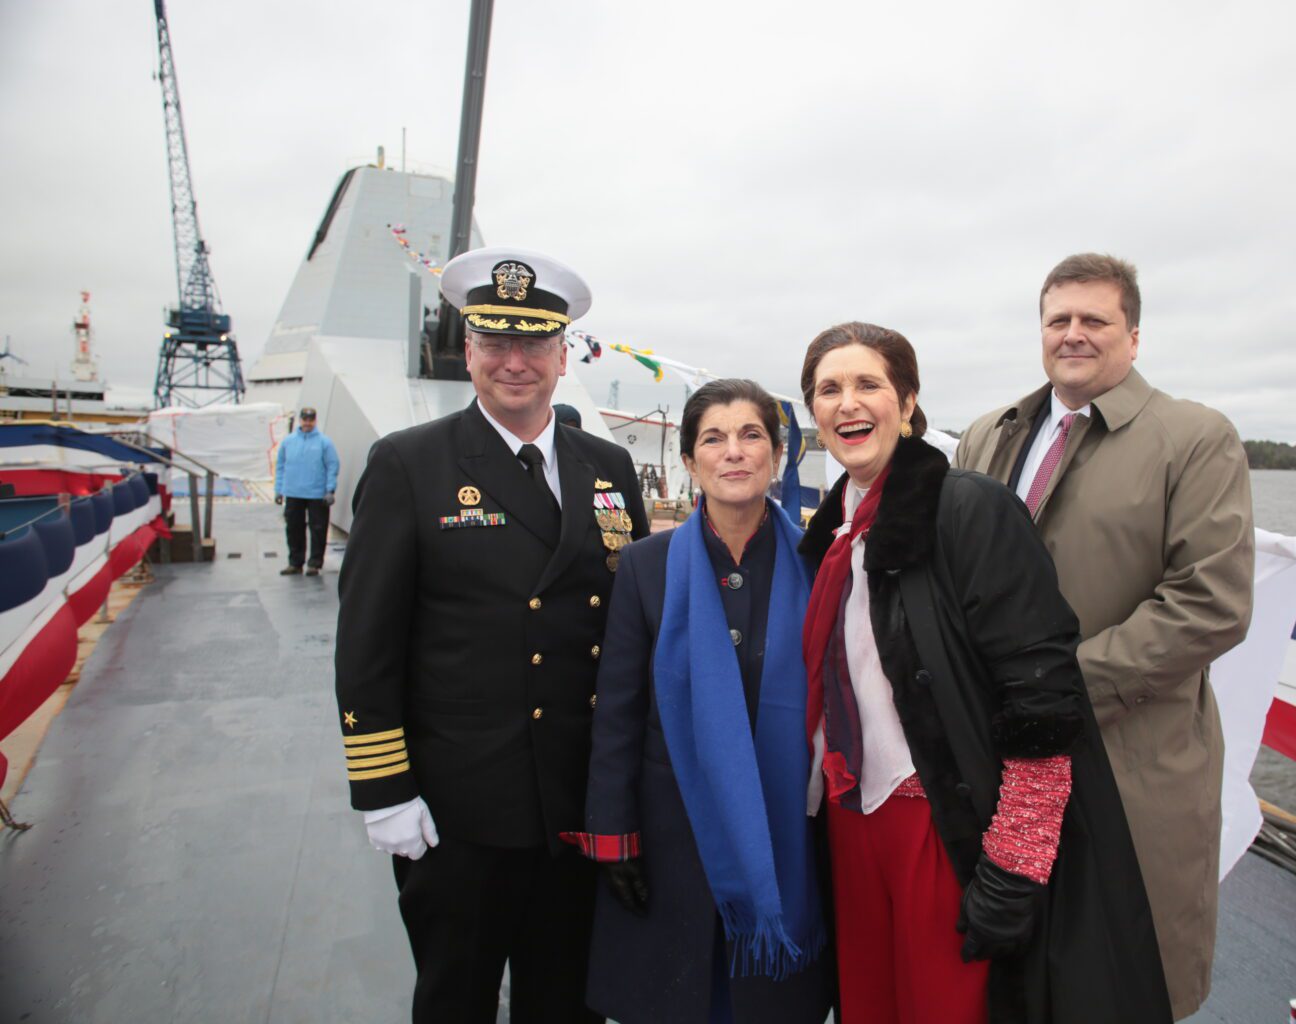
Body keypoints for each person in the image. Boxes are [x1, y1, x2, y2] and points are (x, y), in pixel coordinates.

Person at [799, 322, 1169, 1023]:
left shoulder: (967, 509)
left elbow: (1043, 699)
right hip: (851, 821)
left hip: (940, 826)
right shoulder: (832, 532)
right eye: (829, 389)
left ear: (907, 404)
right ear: (814, 414)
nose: (849, 404)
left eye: (869, 385)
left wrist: (1015, 867)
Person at [333, 247, 648, 1023]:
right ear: (467, 350)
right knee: (456, 999)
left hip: (579, 802)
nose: (515, 362)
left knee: (569, 1002)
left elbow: (637, 628)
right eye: (495, 343)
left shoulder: (609, 467)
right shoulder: (411, 464)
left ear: (561, 352)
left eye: (534, 344)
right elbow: (367, 642)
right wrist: (384, 790)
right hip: (457, 810)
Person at [955, 253, 1255, 1019]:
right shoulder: (989, 437)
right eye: (1059, 319)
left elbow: (1209, 601)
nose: (1074, 334)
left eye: (1095, 320)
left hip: (1130, 759)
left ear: (1134, 335)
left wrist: (1056, 691)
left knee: (1118, 977)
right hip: (1000, 752)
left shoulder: (1195, 439)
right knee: (1005, 968)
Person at [569, 378, 832, 1024]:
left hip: (786, 830)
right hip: (671, 835)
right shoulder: (645, 567)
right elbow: (619, 712)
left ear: (776, 453)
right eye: (713, 438)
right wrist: (612, 834)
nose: (734, 452)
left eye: (751, 436)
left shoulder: (818, 560)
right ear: (689, 461)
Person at [273, 406, 338, 575]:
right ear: (300, 420)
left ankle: (314, 564)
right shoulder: (288, 442)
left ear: (315, 421)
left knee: (318, 529)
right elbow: (280, 466)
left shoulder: (324, 442)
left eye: (311, 420)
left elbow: (332, 466)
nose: (307, 423)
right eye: (305, 419)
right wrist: (279, 490)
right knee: (293, 529)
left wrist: (330, 489)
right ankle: (295, 563)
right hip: (293, 492)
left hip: (317, 494)